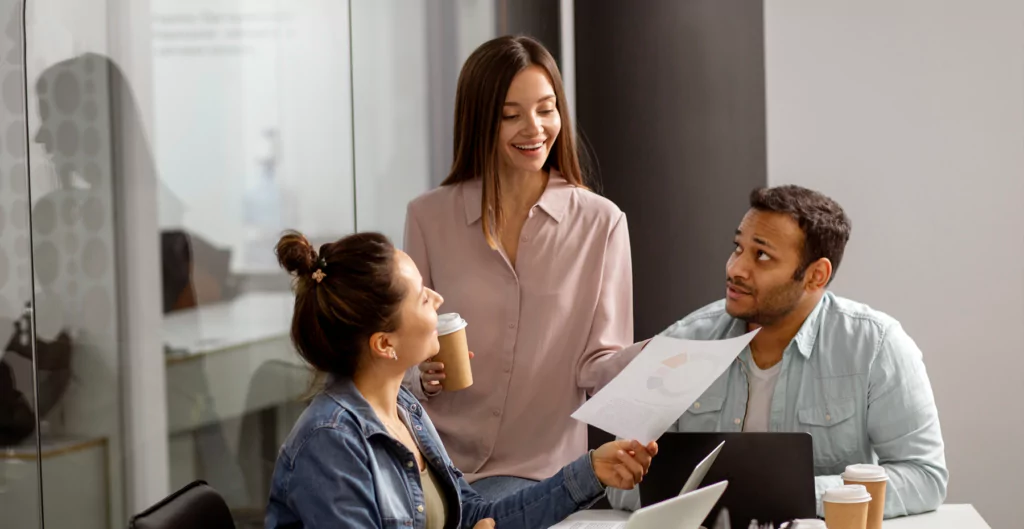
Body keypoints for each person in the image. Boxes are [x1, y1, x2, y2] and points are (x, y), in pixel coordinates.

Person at [265, 231, 658, 529]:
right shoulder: (330, 444)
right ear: (385, 344)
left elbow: (474, 515)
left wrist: (591, 471)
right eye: (420, 296)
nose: (436, 298)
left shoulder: (405, 411)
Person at [609, 185, 947, 518]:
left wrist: (792, 494)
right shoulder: (684, 341)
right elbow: (616, 477)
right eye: (737, 247)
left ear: (816, 276)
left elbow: (923, 476)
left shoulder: (876, 346)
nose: (735, 268)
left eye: (762, 255)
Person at [403, 34, 639, 500]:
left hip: (540, 473)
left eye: (546, 109)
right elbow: (404, 355)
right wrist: (422, 374)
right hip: (436, 465)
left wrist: (669, 357)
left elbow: (599, 364)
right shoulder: (428, 217)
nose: (534, 129)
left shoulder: (601, 223)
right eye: (510, 115)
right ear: (478, 120)